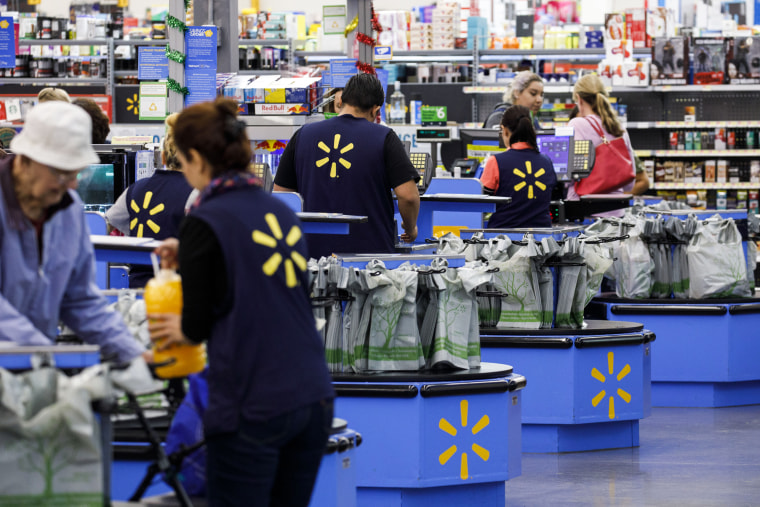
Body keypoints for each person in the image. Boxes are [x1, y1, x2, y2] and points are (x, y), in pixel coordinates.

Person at [148, 98, 334, 506]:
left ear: (196, 157)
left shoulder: (205, 217)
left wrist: (170, 330)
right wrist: (193, 255)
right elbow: (261, 275)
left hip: (253, 402)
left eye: (181, 159)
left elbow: (195, 327)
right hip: (312, 396)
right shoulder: (280, 212)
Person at [0, 101, 145, 363]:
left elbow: (80, 300)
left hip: (33, 367)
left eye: (75, 172)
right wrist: (45, 353)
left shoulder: (68, 211)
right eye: (61, 171)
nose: (72, 183)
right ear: (26, 160)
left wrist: (134, 355)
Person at [273, 72, 420, 258]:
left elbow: (281, 197)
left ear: (341, 100)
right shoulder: (384, 138)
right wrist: (411, 227)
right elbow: (408, 197)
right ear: (376, 110)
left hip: (312, 256)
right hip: (371, 259)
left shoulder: (303, 135)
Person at [105, 113, 195, 288]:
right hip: (177, 293)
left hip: (137, 291)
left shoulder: (134, 189)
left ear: (162, 157)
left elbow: (103, 226)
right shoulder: (196, 192)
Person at [566, 74, 636, 212]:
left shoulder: (577, 124)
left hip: (585, 210)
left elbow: (571, 176)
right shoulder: (619, 129)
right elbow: (630, 184)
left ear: (579, 99)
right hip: (617, 211)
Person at [480, 105, 557, 228]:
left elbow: (481, 205)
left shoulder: (496, 162)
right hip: (542, 240)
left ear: (504, 131)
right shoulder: (547, 162)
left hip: (503, 240)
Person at [568, 104, 649, 196]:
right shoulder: (568, 151)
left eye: (588, 123)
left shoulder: (616, 149)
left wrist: (614, 199)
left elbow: (643, 181)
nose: (584, 129)